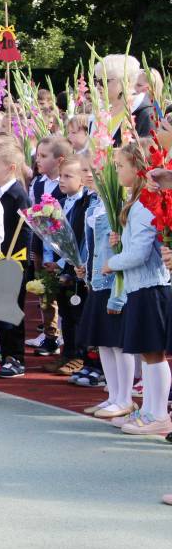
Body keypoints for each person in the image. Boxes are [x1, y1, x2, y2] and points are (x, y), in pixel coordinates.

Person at [104, 139, 172, 435]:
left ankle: (158, 413)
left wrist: (112, 262)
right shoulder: (136, 201)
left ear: (138, 168)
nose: (117, 171)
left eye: (121, 166)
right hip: (140, 287)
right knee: (147, 353)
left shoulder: (145, 205)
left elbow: (141, 253)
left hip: (150, 288)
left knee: (153, 353)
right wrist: (121, 241)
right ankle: (148, 410)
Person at [75, 154, 133, 413]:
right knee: (103, 342)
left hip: (114, 281)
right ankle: (113, 394)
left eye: (94, 170)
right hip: (97, 279)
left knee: (118, 343)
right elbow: (92, 245)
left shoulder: (119, 205)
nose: (88, 175)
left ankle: (124, 397)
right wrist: (84, 266)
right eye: (85, 170)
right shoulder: (93, 206)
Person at [42, 155, 92, 378]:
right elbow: (58, 237)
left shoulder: (86, 204)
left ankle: (79, 356)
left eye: (68, 176)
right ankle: (68, 352)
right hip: (62, 268)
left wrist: (67, 263)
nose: (61, 180)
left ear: (82, 180)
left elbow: (80, 239)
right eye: (60, 175)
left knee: (77, 314)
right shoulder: (60, 203)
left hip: (78, 270)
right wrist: (56, 261)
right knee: (65, 314)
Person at [0, 136, 32, 378]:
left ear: (11, 168)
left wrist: (14, 261)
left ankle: (15, 356)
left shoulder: (17, 196)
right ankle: (3, 353)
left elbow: (23, 233)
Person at [27, 135, 72, 357]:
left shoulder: (64, 186)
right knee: (44, 293)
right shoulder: (37, 183)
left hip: (59, 247)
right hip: (41, 244)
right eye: (37, 155)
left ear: (60, 160)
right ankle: (50, 335)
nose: (38, 160)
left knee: (60, 294)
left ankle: (62, 338)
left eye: (44, 156)